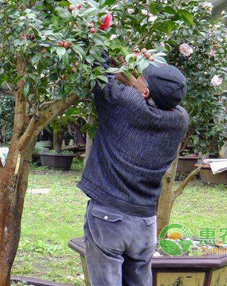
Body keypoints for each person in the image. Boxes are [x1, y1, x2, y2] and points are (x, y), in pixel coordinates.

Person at [78, 64, 189, 286]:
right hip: (145, 222)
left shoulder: (126, 104)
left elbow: (100, 71)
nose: (135, 75)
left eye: (140, 76)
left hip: (108, 218)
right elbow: (136, 92)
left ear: (145, 92)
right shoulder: (180, 120)